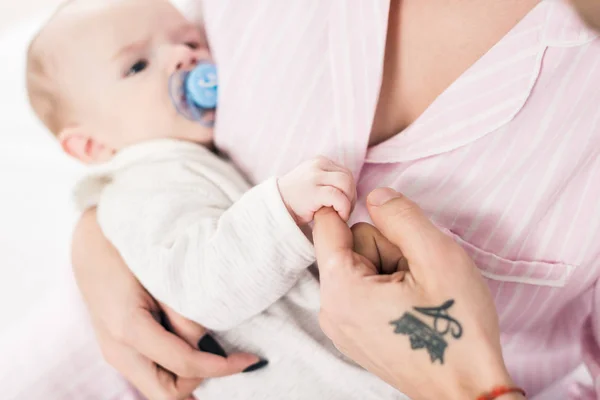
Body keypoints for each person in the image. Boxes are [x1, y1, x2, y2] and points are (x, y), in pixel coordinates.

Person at [3, 0, 600, 399]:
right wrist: (97, 232)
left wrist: (475, 387)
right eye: (139, 64)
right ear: (87, 145)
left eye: (187, 41)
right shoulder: (151, 173)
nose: (186, 56)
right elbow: (199, 278)